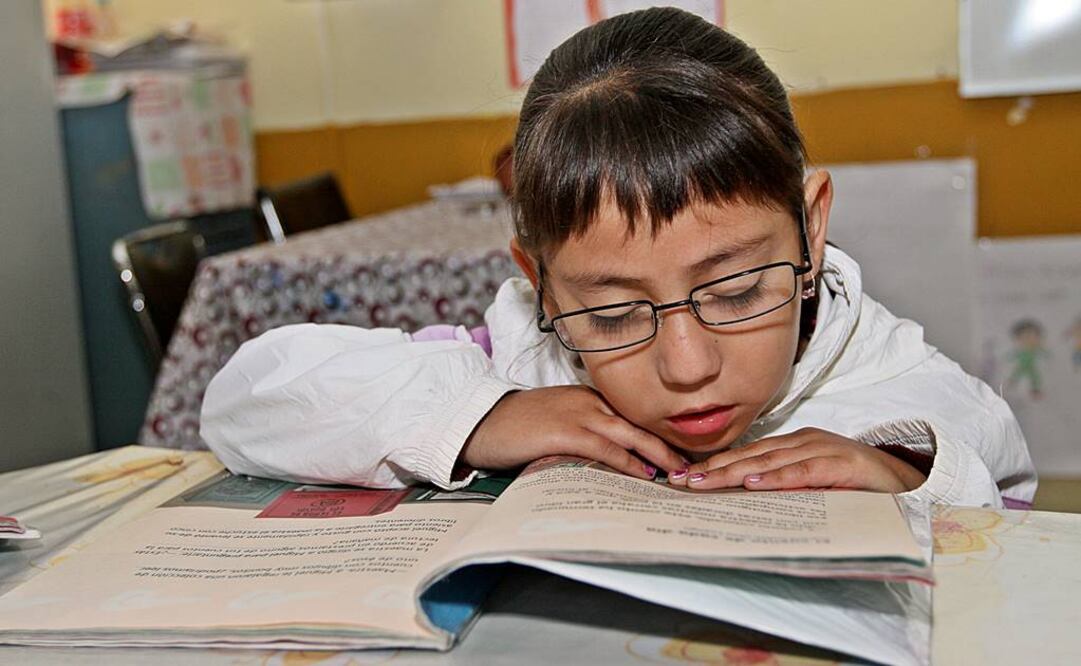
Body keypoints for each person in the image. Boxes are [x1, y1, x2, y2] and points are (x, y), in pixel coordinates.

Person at [202, 8, 1035, 508]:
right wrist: (485, 418)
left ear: (810, 232)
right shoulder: (528, 362)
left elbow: (996, 460)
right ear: (540, 286)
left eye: (739, 290)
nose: (686, 365)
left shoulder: (876, 361)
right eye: (610, 314)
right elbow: (246, 403)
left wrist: (897, 466)